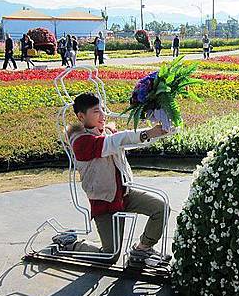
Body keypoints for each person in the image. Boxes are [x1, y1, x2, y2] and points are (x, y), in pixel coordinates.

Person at [59, 93, 171, 264]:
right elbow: (113, 143)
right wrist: (147, 132)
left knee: (161, 208)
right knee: (110, 255)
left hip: (125, 194)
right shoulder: (81, 142)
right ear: (81, 116)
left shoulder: (108, 132)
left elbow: (126, 142)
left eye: (103, 110)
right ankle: (71, 244)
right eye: (96, 111)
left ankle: (142, 249)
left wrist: (157, 132)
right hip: (105, 203)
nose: (103, 115)